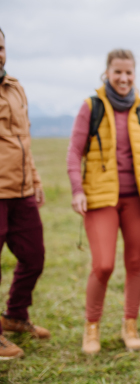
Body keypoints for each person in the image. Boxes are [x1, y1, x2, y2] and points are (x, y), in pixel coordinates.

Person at [67, 49, 140, 354]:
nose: (124, 78)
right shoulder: (92, 107)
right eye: (118, 72)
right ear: (107, 73)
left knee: (136, 263)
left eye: (129, 73)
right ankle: (91, 327)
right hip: (100, 199)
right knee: (103, 265)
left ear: (134, 75)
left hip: (137, 200)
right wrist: (77, 189)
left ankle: (130, 324)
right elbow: (74, 152)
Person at [0, 27, 50, 360]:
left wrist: (34, 179)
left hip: (21, 191)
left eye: (0, 47)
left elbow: (24, 139)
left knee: (33, 256)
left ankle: (15, 316)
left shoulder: (15, 88)